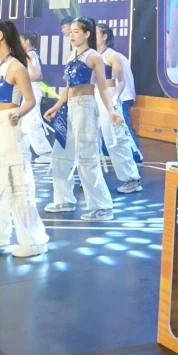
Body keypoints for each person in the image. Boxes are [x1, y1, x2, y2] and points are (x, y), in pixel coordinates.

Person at [0, 20, 49, 257]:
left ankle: (34, 241)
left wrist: (18, 113)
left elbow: (30, 100)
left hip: (9, 127)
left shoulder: (16, 66)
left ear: (0, 36)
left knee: (17, 184)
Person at [43, 17, 123, 221]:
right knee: (59, 155)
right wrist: (57, 106)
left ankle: (102, 207)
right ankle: (64, 199)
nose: (72, 35)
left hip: (85, 108)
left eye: (76, 31)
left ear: (87, 34)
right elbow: (68, 87)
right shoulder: (70, 56)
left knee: (87, 157)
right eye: (70, 31)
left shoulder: (94, 56)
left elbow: (103, 87)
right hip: (69, 107)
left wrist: (111, 111)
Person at [95, 24, 143, 193]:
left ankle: (131, 178)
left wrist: (115, 98)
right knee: (91, 139)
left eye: (95, 33)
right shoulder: (91, 55)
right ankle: (92, 176)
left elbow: (121, 81)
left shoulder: (112, 55)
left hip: (109, 96)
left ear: (104, 36)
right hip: (92, 96)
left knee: (115, 139)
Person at [18, 32, 53, 164]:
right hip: (28, 92)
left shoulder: (31, 55)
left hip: (32, 92)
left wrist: (20, 78)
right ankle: (23, 152)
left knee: (32, 124)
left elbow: (38, 75)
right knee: (25, 124)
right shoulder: (29, 55)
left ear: (27, 41)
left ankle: (46, 152)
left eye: (21, 41)